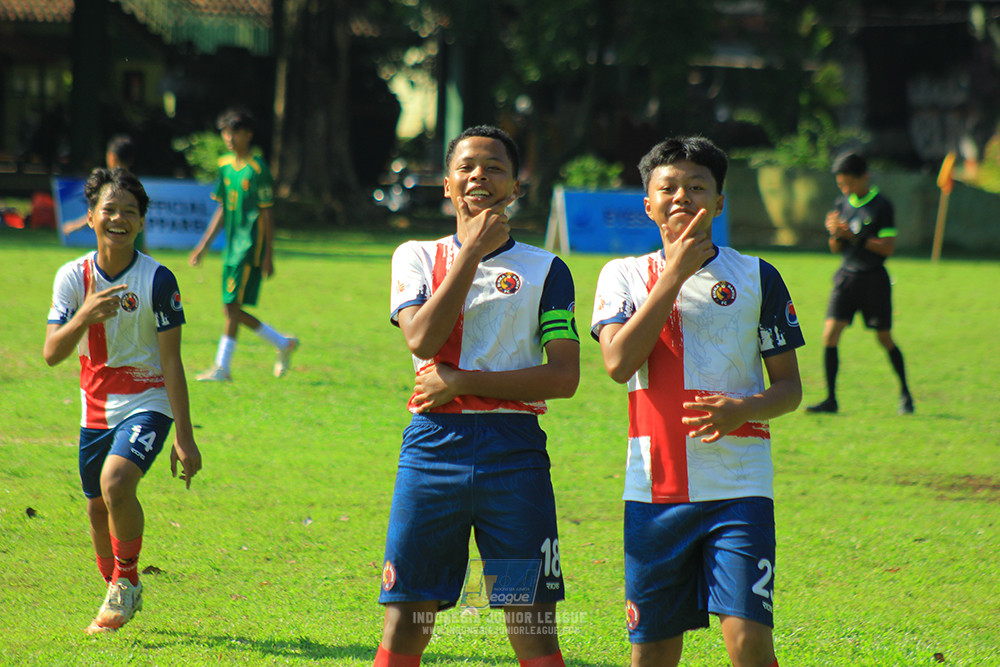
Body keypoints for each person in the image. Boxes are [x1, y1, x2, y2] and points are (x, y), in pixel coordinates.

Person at [591, 136, 804, 667]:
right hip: (653, 488)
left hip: (738, 488)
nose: (681, 196)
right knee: (653, 654)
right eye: (668, 187)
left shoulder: (757, 276)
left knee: (748, 642)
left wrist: (741, 410)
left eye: (696, 186)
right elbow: (618, 364)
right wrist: (675, 275)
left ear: (720, 200)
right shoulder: (621, 275)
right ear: (648, 203)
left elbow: (788, 388)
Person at [374, 125, 580, 667]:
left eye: (494, 168)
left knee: (530, 623)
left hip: (515, 457)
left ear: (515, 186)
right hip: (432, 449)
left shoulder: (547, 270)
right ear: (447, 184)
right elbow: (421, 338)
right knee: (407, 617)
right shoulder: (415, 256)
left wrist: (464, 381)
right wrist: (472, 252)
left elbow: (563, 378)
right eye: (467, 167)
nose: (479, 177)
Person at [43, 167, 202, 634]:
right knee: (96, 508)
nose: (118, 218)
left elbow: (172, 362)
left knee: (116, 482)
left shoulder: (158, 280)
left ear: (141, 221)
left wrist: (185, 439)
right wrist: (85, 315)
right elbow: (53, 353)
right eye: (109, 209)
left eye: (129, 212)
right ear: (90, 216)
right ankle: (117, 584)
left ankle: (126, 580)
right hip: (95, 407)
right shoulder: (72, 277)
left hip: (149, 401)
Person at [189, 108, 298, 381]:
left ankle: (222, 368)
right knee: (231, 307)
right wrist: (203, 246)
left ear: (248, 134)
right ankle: (282, 344)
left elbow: (267, 213)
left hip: (249, 247)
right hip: (230, 247)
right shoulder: (225, 165)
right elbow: (223, 208)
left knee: (231, 306)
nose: (229, 137)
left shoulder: (258, 169)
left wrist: (268, 254)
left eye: (234, 132)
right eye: (226, 132)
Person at [805, 152, 914, 415]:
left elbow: (887, 248)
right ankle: (831, 400)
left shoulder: (881, 206)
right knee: (830, 335)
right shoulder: (842, 202)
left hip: (874, 279)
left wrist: (854, 236)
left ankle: (905, 394)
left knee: (884, 338)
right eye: (841, 184)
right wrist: (835, 234)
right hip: (847, 277)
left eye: (849, 183)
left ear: (864, 177)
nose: (845, 189)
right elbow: (835, 248)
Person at [63, 135, 148, 252]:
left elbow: (99, 211)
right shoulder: (135, 184)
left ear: (111, 157)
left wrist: (75, 225)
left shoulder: (111, 186)